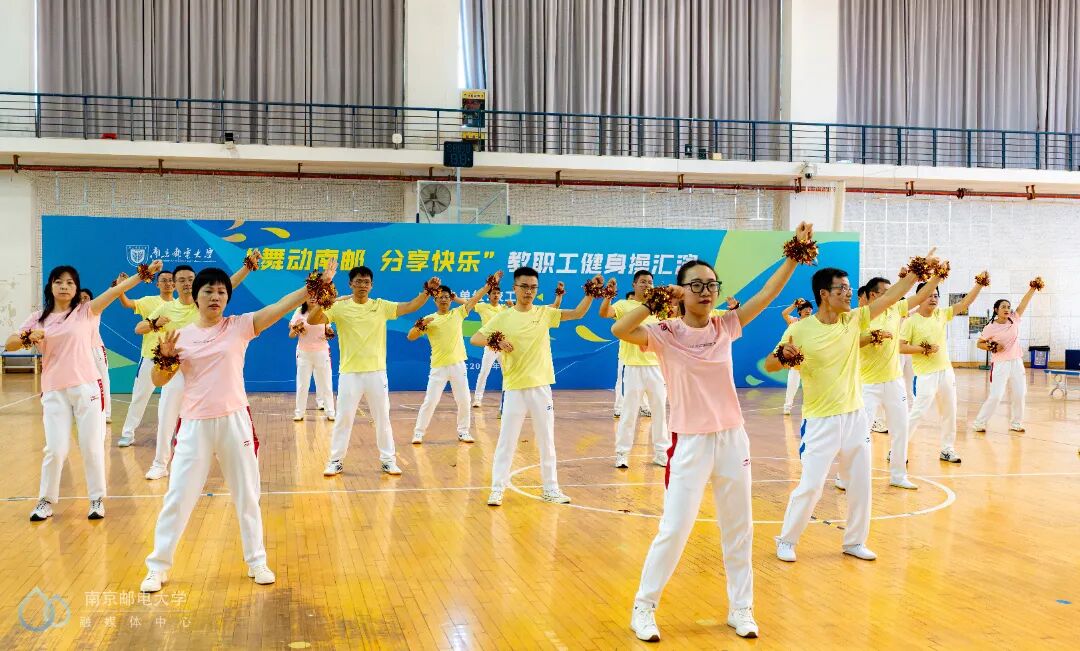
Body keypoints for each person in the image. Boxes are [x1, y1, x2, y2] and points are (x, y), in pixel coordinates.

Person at [615, 222, 815, 642]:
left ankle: (741, 608)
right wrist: (655, 299)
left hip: (732, 439)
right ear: (681, 291)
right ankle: (644, 607)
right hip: (689, 442)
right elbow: (620, 330)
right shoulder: (664, 333)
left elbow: (767, 295)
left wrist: (794, 255)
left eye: (711, 284)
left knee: (739, 527)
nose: (706, 291)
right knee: (675, 528)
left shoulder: (725, 326)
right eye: (696, 285)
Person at [139, 259, 338, 593]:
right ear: (196, 296)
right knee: (178, 497)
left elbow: (279, 306)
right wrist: (167, 357)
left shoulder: (240, 326)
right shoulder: (180, 337)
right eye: (208, 291)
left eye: (221, 292)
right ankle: (157, 567)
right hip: (194, 426)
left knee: (247, 494)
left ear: (227, 298)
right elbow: (159, 380)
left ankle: (256, 560)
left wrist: (316, 285)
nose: (215, 296)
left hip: (234, 421)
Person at [766, 255, 933, 564]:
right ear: (823, 294)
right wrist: (783, 354)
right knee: (811, 486)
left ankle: (855, 541)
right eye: (841, 288)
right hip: (821, 421)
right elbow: (770, 363)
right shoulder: (800, 329)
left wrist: (916, 274)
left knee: (860, 484)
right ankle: (787, 539)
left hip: (855, 416)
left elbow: (892, 298)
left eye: (848, 288)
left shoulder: (854, 320)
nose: (847, 293)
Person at [7, 259, 164, 521]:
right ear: (50, 287)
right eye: (58, 282)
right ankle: (46, 501)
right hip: (54, 391)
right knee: (55, 449)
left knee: (91, 446)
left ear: (76, 288)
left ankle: (96, 498)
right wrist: (27, 337)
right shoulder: (38, 319)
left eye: (70, 282)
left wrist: (144, 273)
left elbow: (116, 291)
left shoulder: (86, 311)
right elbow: (10, 343)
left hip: (87, 388)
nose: (64, 286)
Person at [470, 268, 603, 507]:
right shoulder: (503, 317)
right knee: (506, 441)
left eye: (533, 287)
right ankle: (497, 489)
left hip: (541, 386)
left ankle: (550, 488)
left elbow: (578, 313)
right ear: (515, 288)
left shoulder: (544, 313)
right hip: (514, 388)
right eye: (524, 286)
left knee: (546, 440)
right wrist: (497, 340)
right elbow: (475, 338)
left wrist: (592, 292)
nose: (528, 291)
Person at [135, 254, 261, 481]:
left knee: (207, 418)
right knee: (166, 416)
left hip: (201, 371)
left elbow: (229, 284)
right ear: (174, 284)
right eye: (181, 279)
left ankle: (222, 460)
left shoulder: (203, 302)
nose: (186, 283)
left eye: (190, 279)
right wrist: (155, 323)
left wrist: (247, 267)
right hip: (175, 369)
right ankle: (160, 464)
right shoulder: (166, 308)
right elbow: (139, 328)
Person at [307, 266, 441, 477]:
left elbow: (410, 306)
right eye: (358, 281)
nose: (362, 285)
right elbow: (312, 320)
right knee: (343, 419)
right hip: (350, 374)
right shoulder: (339, 307)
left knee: (382, 419)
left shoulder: (381, 306)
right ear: (350, 284)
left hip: (376, 373)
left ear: (371, 285)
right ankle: (335, 461)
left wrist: (428, 291)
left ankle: (388, 460)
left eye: (366, 282)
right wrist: (326, 302)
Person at [836, 272, 941, 492]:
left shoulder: (896, 309)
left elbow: (920, 296)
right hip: (867, 384)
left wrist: (937, 277)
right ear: (873, 295)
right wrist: (872, 336)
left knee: (901, 430)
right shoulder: (859, 315)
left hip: (894, 382)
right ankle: (843, 476)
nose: (893, 295)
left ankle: (898, 475)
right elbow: (848, 343)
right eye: (887, 292)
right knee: (859, 433)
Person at [900, 273, 986, 463]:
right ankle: (897, 450)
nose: (933, 298)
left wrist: (979, 285)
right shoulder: (910, 321)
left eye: (936, 295)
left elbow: (964, 303)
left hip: (946, 372)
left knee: (949, 412)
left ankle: (947, 449)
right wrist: (923, 349)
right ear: (920, 297)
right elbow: (901, 347)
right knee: (918, 412)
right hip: (925, 375)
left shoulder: (941, 314)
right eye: (929, 295)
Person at [409, 274, 501, 444]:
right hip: (438, 367)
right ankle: (418, 433)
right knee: (430, 401)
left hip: (458, 365)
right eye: (440, 297)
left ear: (450, 300)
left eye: (446, 297)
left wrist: (489, 285)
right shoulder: (430, 319)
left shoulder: (458, 313)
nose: (443, 299)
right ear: (435, 300)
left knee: (464, 400)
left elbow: (476, 298)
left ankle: (463, 431)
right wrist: (420, 325)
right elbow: (411, 336)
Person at [599, 271, 667, 469]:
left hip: (656, 367)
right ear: (634, 285)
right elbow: (604, 313)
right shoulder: (624, 305)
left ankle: (661, 453)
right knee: (629, 413)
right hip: (632, 366)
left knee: (660, 412)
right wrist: (608, 296)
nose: (647, 285)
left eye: (650, 282)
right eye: (642, 282)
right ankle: (622, 454)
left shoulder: (658, 307)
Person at [972, 279, 1042, 433]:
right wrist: (992, 346)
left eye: (1008, 307)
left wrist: (1033, 288)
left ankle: (1016, 423)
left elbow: (1024, 303)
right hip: (1000, 364)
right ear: (996, 309)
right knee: (996, 396)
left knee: (1020, 394)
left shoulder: (1014, 319)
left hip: (1017, 362)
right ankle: (979, 423)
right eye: (1003, 307)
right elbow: (979, 343)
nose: (1007, 309)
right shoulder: (990, 327)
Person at [116, 268, 176, 447]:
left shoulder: (181, 306)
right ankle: (128, 434)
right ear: (157, 284)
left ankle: (175, 435)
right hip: (150, 357)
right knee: (139, 397)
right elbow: (127, 303)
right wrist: (120, 287)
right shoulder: (149, 301)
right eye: (163, 280)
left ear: (175, 284)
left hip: (174, 361)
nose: (167, 283)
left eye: (170, 280)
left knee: (174, 400)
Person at [289, 299, 337, 422]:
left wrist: (329, 332)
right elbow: (291, 334)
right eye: (310, 296)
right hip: (304, 354)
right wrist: (297, 328)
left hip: (322, 353)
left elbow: (328, 330)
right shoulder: (299, 311)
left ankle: (330, 412)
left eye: (315, 295)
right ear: (305, 298)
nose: (312, 298)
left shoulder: (323, 311)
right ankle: (299, 413)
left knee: (326, 384)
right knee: (302, 385)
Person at [80, 288, 113, 427]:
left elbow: (109, 295)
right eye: (80, 298)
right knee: (82, 383)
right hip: (80, 351)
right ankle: (85, 412)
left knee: (103, 380)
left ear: (91, 300)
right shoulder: (72, 314)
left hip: (96, 350)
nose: (83, 300)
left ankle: (106, 414)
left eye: (86, 297)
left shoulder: (95, 309)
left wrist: (115, 285)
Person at [471, 284, 506, 408]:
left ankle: (507, 399)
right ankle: (477, 399)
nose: (496, 295)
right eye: (493, 293)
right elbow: (468, 303)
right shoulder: (482, 307)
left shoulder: (505, 308)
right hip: (490, 345)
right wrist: (454, 298)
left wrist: (512, 306)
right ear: (488, 295)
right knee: (484, 372)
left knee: (507, 374)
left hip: (503, 346)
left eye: (498, 293)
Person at [780, 298, 813, 416]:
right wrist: (794, 305)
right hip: (796, 360)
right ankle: (787, 407)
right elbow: (784, 314)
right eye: (805, 308)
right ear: (799, 311)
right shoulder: (794, 322)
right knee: (792, 385)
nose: (808, 310)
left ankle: (811, 408)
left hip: (810, 360)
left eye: (810, 308)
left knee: (811, 386)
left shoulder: (815, 323)